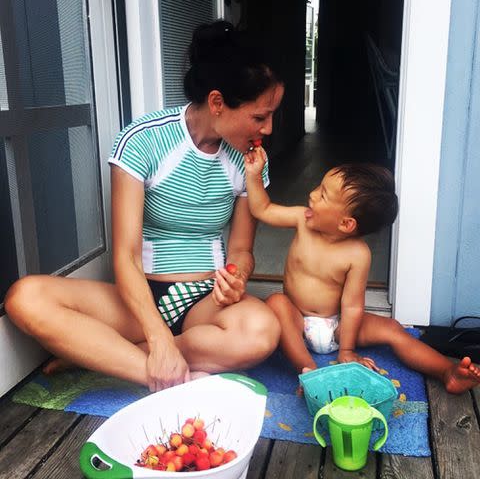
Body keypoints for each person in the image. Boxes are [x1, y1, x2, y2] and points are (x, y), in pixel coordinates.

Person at [5, 20, 283, 392]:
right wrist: (158, 337)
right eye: (259, 116)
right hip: (138, 297)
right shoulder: (145, 140)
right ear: (217, 102)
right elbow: (126, 256)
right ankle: (163, 373)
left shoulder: (249, 161)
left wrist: (238, 277)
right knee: (25, 298)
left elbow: (242, 250)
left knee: (262, 331)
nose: (267, 129)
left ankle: (108, 355)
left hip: (205, 301)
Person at [244, 151, 480, 394]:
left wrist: (346, 349)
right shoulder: (302, 219)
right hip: (297, 322)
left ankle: (446, 371)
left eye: (323, 195)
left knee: (392, 329)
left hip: (337, 326)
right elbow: (263, 209)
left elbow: (352, 305)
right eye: (318, 188)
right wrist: (253, 176)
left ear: (346, 223)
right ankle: (310, 371)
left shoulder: (358, 254)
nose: (312, 195)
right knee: (277, 303)